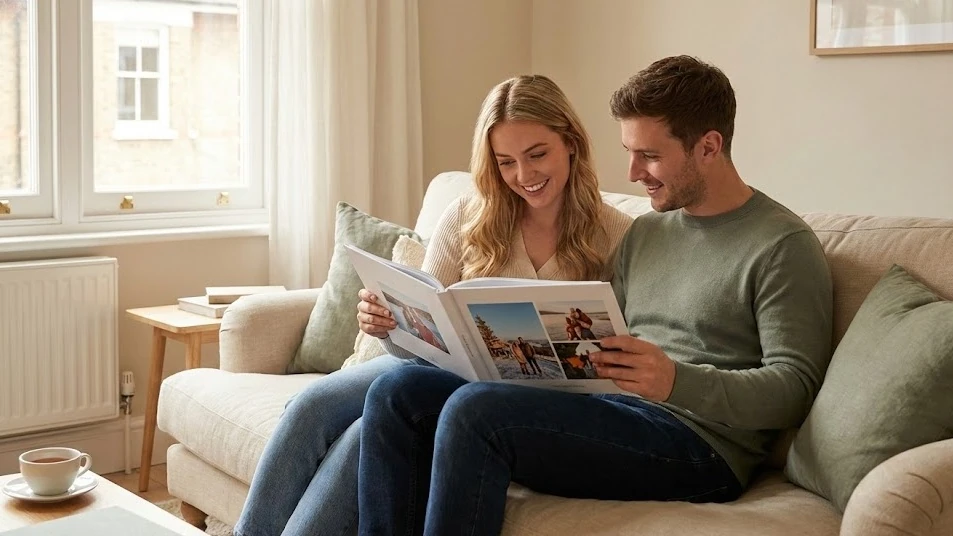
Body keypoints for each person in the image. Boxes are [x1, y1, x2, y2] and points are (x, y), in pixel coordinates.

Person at [357, 55, 834, 536]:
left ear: (708, 146)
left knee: (475, 411)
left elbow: (793, 390)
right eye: (629, 151)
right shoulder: (648, 233)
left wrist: (674, 380)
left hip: (701, 446)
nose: (631, 172)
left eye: (648, 155)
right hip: (615, 413)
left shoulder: (781, 245)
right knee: (399, 393)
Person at [232, 74, 633, 536]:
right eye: (505, 162)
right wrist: (387, 325)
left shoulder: (617, 233)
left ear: (570, 142)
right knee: (312, 403)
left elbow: (620, 352)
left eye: (537, 154)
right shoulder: (467, 214)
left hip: (515, 399)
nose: (524, 176)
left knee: (363, 438)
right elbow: (422, 338)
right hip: (436, 370)